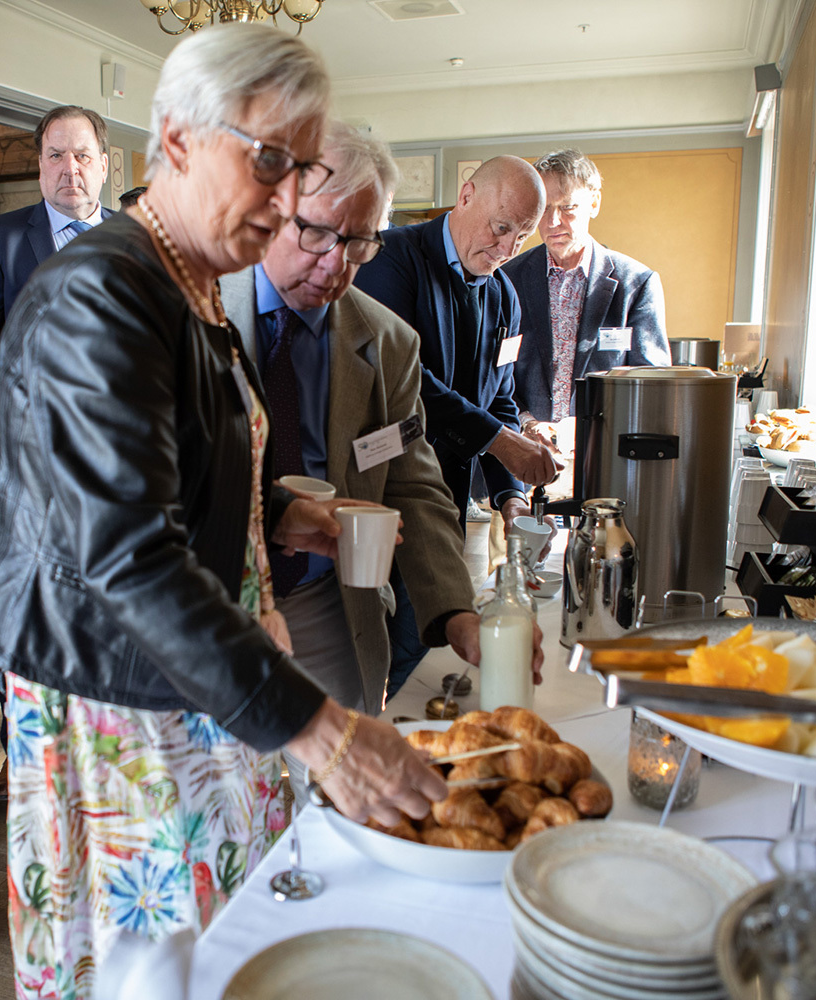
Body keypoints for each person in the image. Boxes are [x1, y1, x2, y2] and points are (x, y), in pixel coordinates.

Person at [0, 26, 446, 996]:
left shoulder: (185, 279)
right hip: (120, 695)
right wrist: (324, 731)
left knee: (228, 948)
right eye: (269, 160)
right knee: (157, 969)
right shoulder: (101, 294)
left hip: (191, 673)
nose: (285, 199)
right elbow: (127, 555)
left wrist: (277, 514)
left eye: (301, 169)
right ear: (177, 141)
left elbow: (172, 467)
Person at [222, 121, 511, 720]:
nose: (337, 264)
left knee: (343, 766)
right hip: (207, 595)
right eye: (317, 233)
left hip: (325, 600)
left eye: (360, 243)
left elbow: (412, 483)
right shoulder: (187, 309)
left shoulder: (387, 343)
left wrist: (456, 610)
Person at [352, 155, 554, 695]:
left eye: (522, 236)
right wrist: (499, 440)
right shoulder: (391, 258)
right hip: (380, 489)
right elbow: (405, 379)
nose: (508, 248)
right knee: (371, 645)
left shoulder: (504, 296)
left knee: (420, 642)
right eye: (501, 227)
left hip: (446, 504)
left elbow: (501, 398)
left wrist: (511, 498)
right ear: (466, 196)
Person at [0, 104, 113, 514]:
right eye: (56, 155)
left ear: (103, 166)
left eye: (82, 155)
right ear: (41, 165)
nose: (69, 168)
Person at [500, 148, 669, 431]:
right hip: (526, 445)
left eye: (567, 207)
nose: (553, 222)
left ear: (594, 202)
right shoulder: (508, 279)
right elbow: (495, 374)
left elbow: (651, 384)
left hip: (605, 445)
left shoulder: (637, 284)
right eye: (544, 209)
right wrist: (528, 424)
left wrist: (582, 429)